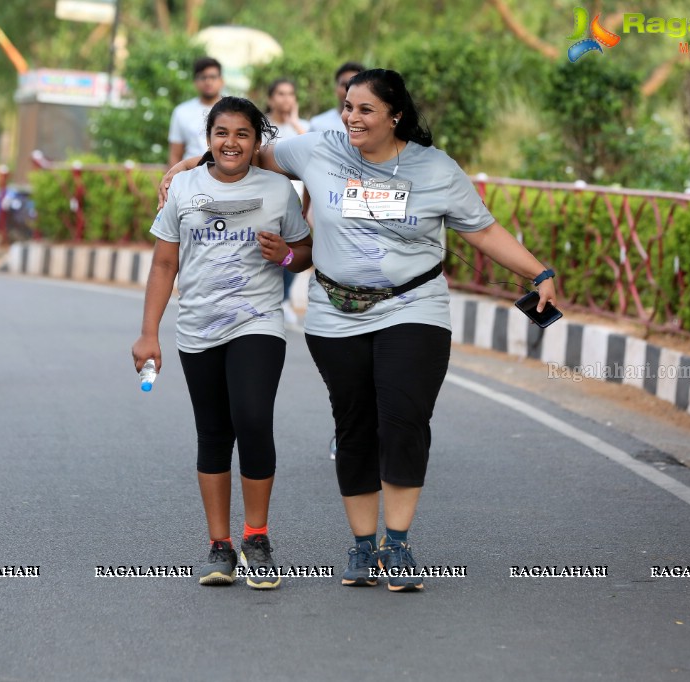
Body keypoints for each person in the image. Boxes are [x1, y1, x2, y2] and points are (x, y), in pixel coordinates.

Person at [161, 69, 559, 592]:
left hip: (413, 305)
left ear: (395, 114)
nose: (352, 117)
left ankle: (398, 543)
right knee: (354, 424)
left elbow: (481, 229)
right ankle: (362, 544)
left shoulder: (434, 168)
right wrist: (192, 164)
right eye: (348, 107)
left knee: (403, 418)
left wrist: (538, 272)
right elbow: (247, 151)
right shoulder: (320, 149)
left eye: (365, 110)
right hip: (334, 311)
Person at [133, 96, 312, 589]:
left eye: (242, 134)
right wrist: (149, 333)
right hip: (197, 327)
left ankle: (256, 536)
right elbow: (164, 264)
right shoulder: (183, 189)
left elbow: (303, 254)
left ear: (257, 142)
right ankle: (219, 546)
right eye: (222, 133)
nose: (231, 143)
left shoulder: (278, 190)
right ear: (207, 138)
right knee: (214, 433)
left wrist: (285, 256)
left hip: (258, 324)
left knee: (253, 420)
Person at [264, 78, 311, 325]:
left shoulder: (302, 126)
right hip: (266, 200)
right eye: (280, 93)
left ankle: (284, 298)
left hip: (294, 202)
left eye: (290, 94)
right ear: (271, 98)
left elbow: (314, 158)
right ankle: (271, 299)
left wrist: (294, 122)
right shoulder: (261, 126)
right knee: (269, 251)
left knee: (294, 250)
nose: (286, 99)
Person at [167, 57, 224, 167]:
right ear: (195, 82)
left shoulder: (233, 111)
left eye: (213, 77)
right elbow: (175, 154)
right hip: (191, 176)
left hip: (227, 177)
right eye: (203, 77)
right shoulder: (182, 111)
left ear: (222, 81)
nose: (208, 82)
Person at [308, 61, 365, 133]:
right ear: (335, 88)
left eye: (354, 85)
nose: (349, 90)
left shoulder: (371, 125)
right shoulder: (318, 124)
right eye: (344, 84)